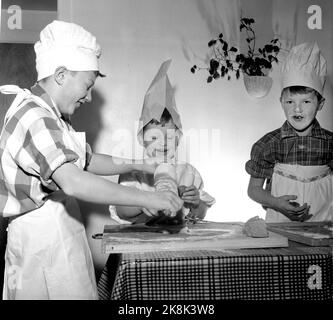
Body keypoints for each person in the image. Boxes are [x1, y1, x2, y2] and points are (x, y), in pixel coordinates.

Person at [0, 21, 183, 300]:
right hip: (39, 237)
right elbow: (73, 181)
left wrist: (139, 164)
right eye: (86, 86)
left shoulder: (55, 118)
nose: (87, 97)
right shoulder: (34, 116)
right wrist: (147, 198)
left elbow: (87, 160)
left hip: (61, 226)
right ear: (61, 75)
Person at [110, 60, 215, 225]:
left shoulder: (188, 173)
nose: (163, 143)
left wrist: (195, 202)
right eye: (153, 138)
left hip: (179, 243)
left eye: (170, 136)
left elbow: (201, 213)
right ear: (141, 139)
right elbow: (122, 211)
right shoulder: (133, 172)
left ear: (178, 138)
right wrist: (146, 200)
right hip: (139, 244)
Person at [246, 42, 333, 223]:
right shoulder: (268, 144)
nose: (297, 109)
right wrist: (275, 203)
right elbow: (253, 189)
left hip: (325, 230)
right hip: (279, 227)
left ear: (321, 104)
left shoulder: (330, 144)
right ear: (281, 102)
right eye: (290, 102)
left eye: (306, 102)